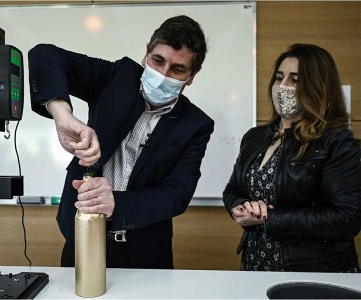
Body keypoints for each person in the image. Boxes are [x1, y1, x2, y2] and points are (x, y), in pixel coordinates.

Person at [28, 15, 214, 269]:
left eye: (177, 69)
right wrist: (62, 115)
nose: (162, 74)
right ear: (146, 54)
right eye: (157, 61)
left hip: (146, 251)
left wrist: (117, 203)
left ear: (192, 75)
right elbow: (44, 55)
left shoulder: (196, 124)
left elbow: (177, 194)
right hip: (81, 237)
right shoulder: (117, 77)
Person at [223, 43, 361, 272]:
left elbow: (347, 217)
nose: (283, 86)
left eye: (295, 80)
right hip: (256, 265)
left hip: (314, 270)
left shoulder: (335, 140)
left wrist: (269, 218)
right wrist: (240, 207)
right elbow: (232, 190)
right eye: (279, 77)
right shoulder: (255, 137)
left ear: (318, 86)